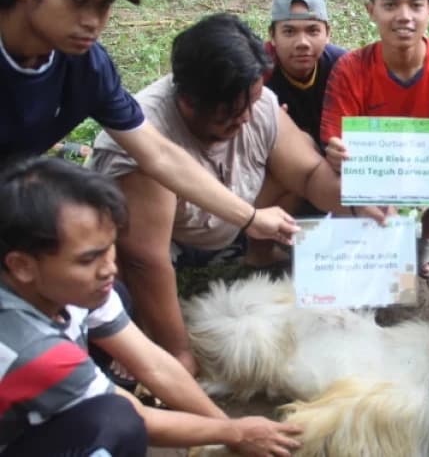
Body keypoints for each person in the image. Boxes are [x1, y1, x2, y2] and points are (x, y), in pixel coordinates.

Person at [88, 13, 387, 376]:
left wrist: (356, 201)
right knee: (132, 297)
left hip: (234, 221)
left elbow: (309, 173)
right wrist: (180, 351)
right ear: (186, 100)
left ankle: (254, 254)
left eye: (253, 102)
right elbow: (146, 261)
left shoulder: (255, 103)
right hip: (161, 248)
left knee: (301, 146)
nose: (245, 117)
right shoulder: (143, 137)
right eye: (229, 112)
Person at [0, 157, 302, 457]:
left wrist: (229, 431)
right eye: (88, 259)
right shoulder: (32, 349)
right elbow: (141, 417)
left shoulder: (68, 290)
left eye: (110, 248)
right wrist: (236, 432)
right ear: (22, 266)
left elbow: (152, 363)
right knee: (115, 419)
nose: (109, 268)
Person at [0, 0, 297, 247]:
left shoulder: (88, 65)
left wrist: (250, 218)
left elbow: (158, 154)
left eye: (104, 5)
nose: (93, 21)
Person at [319, 0, 429, 278]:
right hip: (375, 180)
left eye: (415, 5)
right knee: (329, 178)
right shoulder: (350, 70)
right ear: (371, 10)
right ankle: (382, 234)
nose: (404, 17)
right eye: (391, 4)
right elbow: (336, 143)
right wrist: (335, 154)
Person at [264, 0, 346, 150]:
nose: (302, 43)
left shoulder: (344, 68)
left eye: (312, 31)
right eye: (289, 32)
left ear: (328, 33)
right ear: (273, 35)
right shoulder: (257, 73)